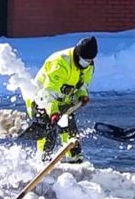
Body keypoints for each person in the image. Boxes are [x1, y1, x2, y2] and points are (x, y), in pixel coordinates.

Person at [24, 36, 97, 164]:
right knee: (48, 130)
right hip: (42, 98)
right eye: (85, 60)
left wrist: (82, 95)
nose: (88, 63)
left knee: (69, 128)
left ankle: (74, 158)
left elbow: (83, 84)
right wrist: (53, 112)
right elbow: (49, 91)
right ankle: (43, 161)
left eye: (90, 60)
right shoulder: (61, 63)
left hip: (64, 99)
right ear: (78, 54)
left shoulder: (88, 65)